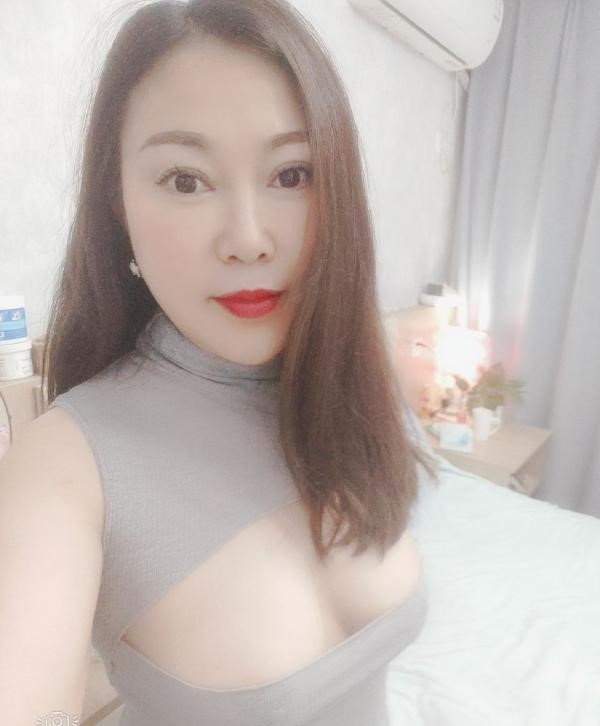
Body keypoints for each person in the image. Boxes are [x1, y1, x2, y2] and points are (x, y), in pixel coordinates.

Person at [0, 1, 438, 724]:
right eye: (186, 180)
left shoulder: (352, 383)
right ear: (118, 203)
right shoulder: (66, 466)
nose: (248, 239)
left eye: (292, 174)